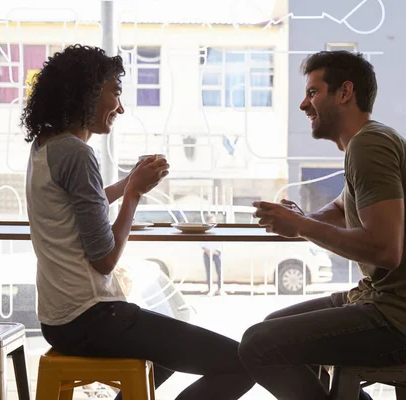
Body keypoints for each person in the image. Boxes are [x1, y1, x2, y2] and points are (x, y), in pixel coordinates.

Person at [23, 45, 254, 400]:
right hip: (92, 316)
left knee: (167, 351)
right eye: (115, 92)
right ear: (87, 91)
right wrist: (133, 195)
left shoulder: (45, 146)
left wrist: (129, 181)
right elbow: (105, 260)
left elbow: (79, 206)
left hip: (58, 319)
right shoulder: (77, 153)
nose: (121, 106)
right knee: (240, 362)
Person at [236, 50, 406, 399]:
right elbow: (342, 209)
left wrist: (300, 226)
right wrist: (302, 218)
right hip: (390, 303)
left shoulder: (368, 146)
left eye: (312, 92)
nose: (303, 105)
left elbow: (385, 250)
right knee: (269, 330)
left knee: (258, 345)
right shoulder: (368, 142)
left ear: (344, 93)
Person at [200, 214, 224, 295]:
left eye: (214, 221)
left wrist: (214, 252)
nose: (213, 223)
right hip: (207, 253)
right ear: (207, 222)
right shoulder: (204, 231)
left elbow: (220, 241)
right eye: (211, 221)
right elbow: (201, 243)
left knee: (219, 271)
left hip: (217, 253)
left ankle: (220, 289)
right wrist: (208, 251)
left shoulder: (218, 230)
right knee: (208, 272)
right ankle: (210, 289)